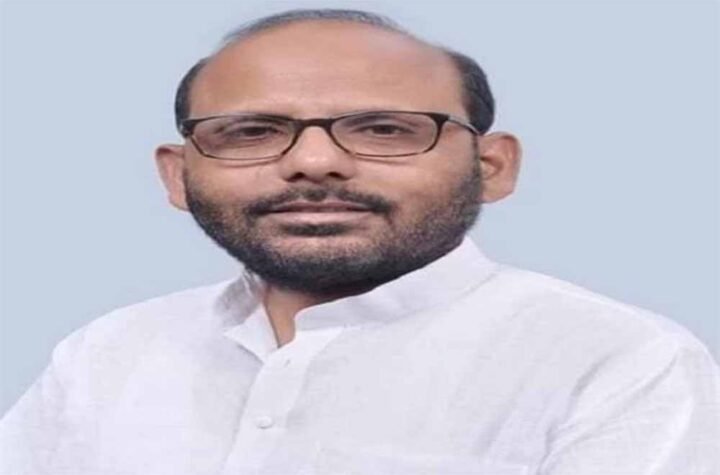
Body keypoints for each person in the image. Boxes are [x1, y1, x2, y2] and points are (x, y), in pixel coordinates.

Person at [1, 8, 718, 475]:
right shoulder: (109, 353)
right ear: (178, 176)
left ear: (492, 167)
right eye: (252, 131)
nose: (314, 162)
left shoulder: (617, 362)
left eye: (384, 129)